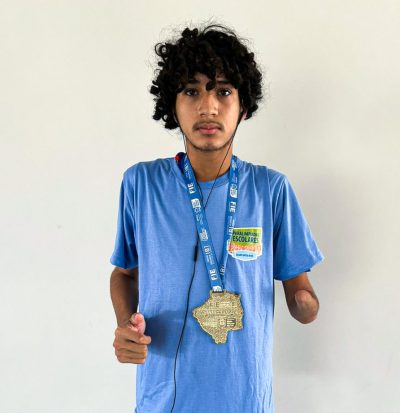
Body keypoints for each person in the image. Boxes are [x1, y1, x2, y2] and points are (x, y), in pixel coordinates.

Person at [109, 22, 324, 413]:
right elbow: (125, 274)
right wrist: (126, 326)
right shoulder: (141, 184)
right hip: (162, 400)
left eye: (223, 91)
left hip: (245, 400)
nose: (208, 107)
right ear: (172, 105)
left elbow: (300, 291)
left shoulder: (271, 190)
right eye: (191, 91)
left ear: (244, 106)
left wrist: (304, 304)